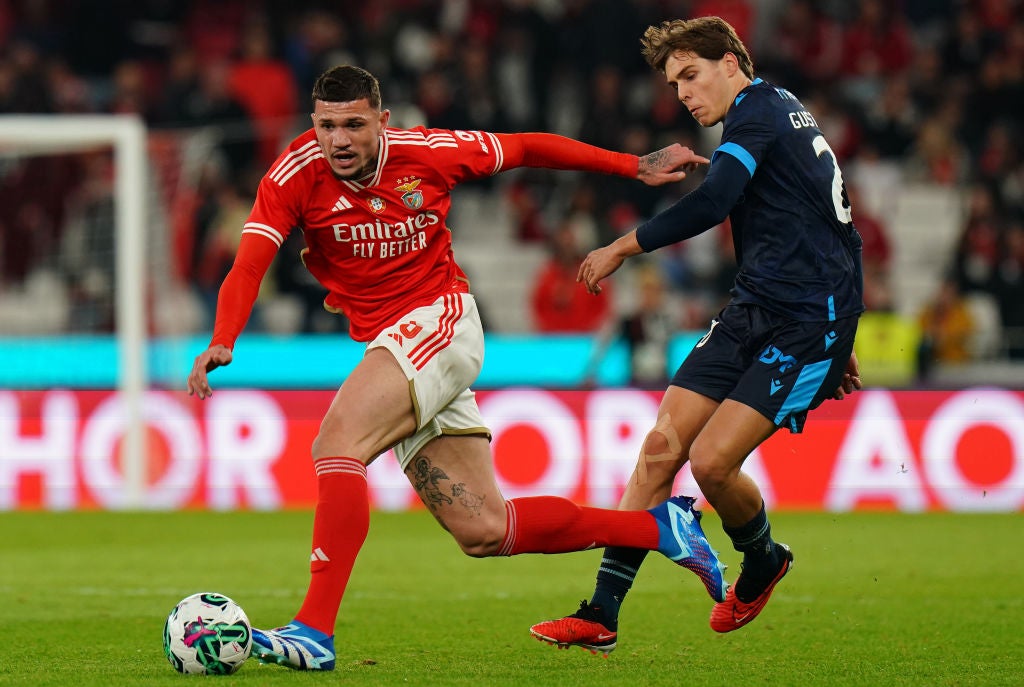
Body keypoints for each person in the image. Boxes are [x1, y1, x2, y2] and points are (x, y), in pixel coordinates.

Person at [186, 64, 725, 671]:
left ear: (382, 122)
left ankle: (313, 631)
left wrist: (633, 166)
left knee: (337, 443)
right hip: (393, 345)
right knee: (484, 530)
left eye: (354, 125)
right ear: (313, 125)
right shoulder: (293, 173)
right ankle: (662, 530)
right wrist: (223, 336)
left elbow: (526, 148)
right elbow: (250, 262)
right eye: (327, 126)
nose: (339, 140)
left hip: (440, 318)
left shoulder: (429, 152)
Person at [529, 16, 864, 655]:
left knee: (710, 462)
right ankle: (602, 612)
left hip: (802, 321)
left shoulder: (757, 112)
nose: (682, 93)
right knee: (661, 449)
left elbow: (713, 207)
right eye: (673, 83)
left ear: (732, 63)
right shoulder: (774, 116)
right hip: (756, 306)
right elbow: (824, 217)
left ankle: (763, 559)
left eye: (690, 74)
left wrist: (621, 247)